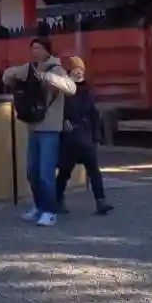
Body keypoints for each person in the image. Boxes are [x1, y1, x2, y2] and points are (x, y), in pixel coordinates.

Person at [2, 36, 77, 226]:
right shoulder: (29, 68)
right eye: (32, 48)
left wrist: (48, 78)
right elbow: (6, 76)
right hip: (33, 126)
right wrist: (14, 75)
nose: (34, 52)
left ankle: (50, 211)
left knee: (45, 173)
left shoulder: (56, 69)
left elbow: (71, 88)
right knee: (32, 172)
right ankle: (39, 205)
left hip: (50, 129)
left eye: (38, 48)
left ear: (46, 50)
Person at [55, 56, 112, 216]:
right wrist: (63, 120)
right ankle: (57, 199)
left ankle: (101, 201)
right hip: (71, 138)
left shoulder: (87, 91)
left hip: (87, 136)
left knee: (94, 170)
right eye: (76, 69)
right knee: (65, 171)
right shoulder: (63, 91)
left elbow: (94, 114)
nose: (79, 72)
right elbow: (57, 110)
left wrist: (96, 137)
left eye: (81, 69)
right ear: (69, 72)